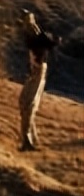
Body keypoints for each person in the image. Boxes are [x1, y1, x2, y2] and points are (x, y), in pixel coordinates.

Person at [18, 10, 60, 151]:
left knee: (28, 105)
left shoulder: (36, 37)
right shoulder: (33, 36)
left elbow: (51, 42)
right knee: (25, 103)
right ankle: (30, 138)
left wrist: (40, 33)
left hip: (38, 71)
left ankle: (28, 141)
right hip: (35, 71)